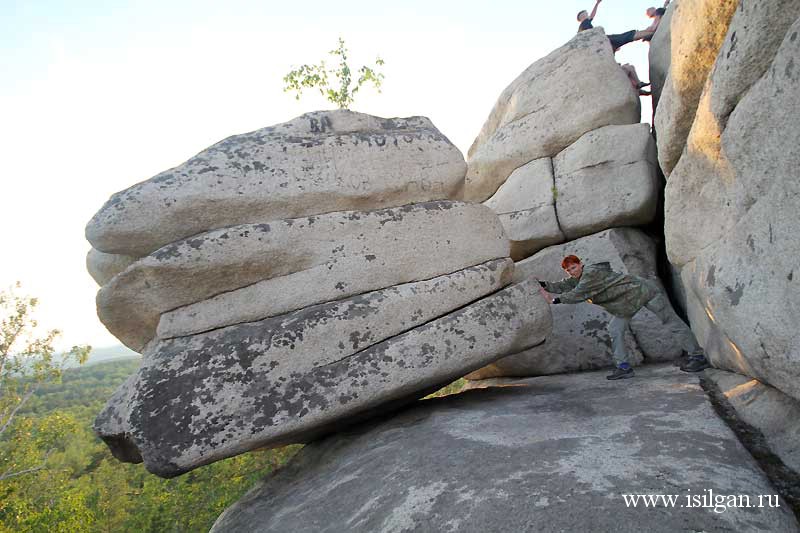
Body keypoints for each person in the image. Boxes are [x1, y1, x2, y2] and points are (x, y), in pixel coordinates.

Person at [537, 255, 711, 380]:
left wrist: (554, 300)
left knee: (671, 322)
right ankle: (624, 367)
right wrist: (544, 285)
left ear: (581, 264)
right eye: (568, 270)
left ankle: (697, 357)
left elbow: (579, 293)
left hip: (644, 292)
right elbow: (565, 285)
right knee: (614, 329)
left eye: (573, 267)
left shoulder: (591, 273)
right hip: (627, 303)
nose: (571, 272)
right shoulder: (579, 277)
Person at [577, 0, 657, 51]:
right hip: (603, 40)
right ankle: (652, 33)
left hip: (600, 43)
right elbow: (592, 15)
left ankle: (648, 33)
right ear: (583, 16)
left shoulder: (581, 28)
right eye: (586, 14)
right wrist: (597, 3)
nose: (588, 15)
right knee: (627, 36)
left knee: (626, 37)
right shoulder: (585, 23)